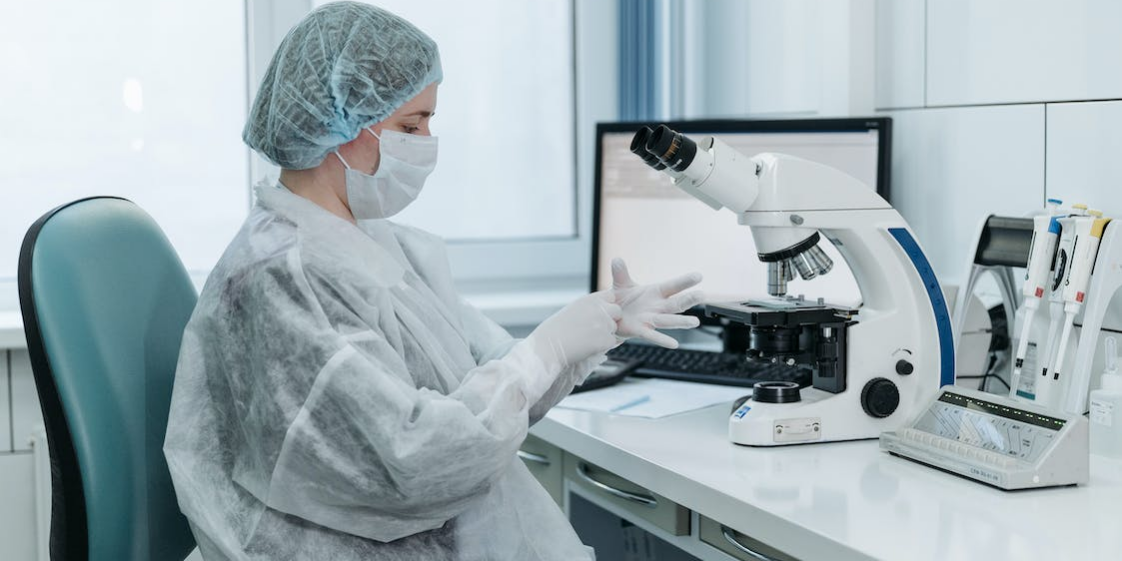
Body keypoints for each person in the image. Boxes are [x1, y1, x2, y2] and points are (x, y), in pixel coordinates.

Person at [163, 2, 704, 559]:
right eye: (410, 125)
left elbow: (477, 377)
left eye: (428, 122)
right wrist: (545, 350)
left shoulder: (362, 243)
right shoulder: (286, 274)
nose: (427, 141)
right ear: (337, 123)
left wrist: (591, 331)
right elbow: (412, 457)